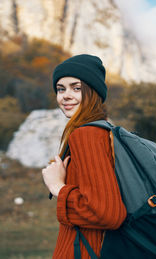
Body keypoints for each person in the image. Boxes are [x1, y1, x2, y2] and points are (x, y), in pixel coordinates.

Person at [41, 54, 127, 259]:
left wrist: (57, 187)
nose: (66, 96)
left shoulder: (87, 135)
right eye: (61, 89)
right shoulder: (103, 131)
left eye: (76, 88)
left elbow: (107, 213)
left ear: (93, 92)